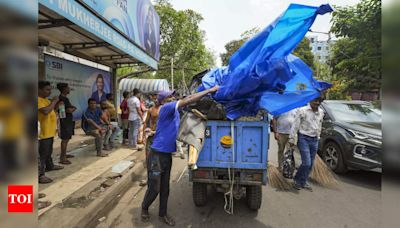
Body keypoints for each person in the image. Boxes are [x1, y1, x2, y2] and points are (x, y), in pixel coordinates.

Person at [141, 86, 219, 226]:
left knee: (165, 188)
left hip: (166, 155)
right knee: (155, 187)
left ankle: (163, 214)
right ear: (164, 101)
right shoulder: (167, 108)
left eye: (173, 96)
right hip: (157, 155)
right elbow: (188, 100)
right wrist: (209, 90)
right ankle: (145, 207)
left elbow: (190, 109)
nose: (174, 97)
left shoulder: (175, 112)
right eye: (170, 96)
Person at [289, 97, 325, 192]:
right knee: (306, 163)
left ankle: (303, 181)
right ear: (310, 100)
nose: (317, 103)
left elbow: (320, 125)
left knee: (311, 163)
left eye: (319, 101)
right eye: (315, 100)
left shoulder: (321, 112)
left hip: (314, 139)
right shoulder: (302, 110)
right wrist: (292, 139)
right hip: (303, 138)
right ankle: (297, 179)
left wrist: (318, 136)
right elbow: (295, 125)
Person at [38, 81, 64, 184]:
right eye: (47, 90)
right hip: (42, 134)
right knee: (41, 155)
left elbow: (51, 111)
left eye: (50, 90)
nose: (49, 92)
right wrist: (53, 102)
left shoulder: (45, 100)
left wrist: (57, 105)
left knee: (48, 152)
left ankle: (50, 166)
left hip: (49, 132)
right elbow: (45, 111)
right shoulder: (38, 100)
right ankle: (41, 175)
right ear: (39, 90)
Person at [57, 83, 77, 165]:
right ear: (64, 89)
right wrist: (72, 109)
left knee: (67, 139)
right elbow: (63, 112)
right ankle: (62, 158)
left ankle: (64, 154)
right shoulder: (61, 99)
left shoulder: (65, 98)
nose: (69, 89)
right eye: (68, 88)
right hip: (64, 122)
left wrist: (71, 108)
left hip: (68, 121)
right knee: (64, 140)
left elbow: (70, 108)